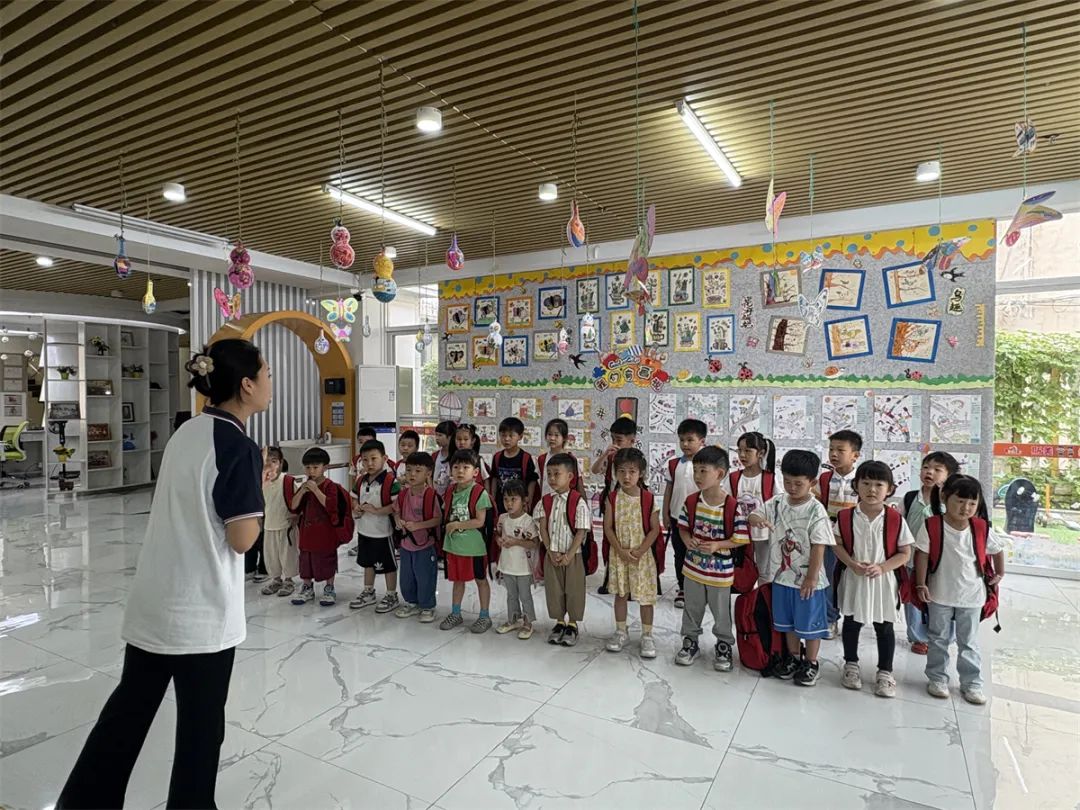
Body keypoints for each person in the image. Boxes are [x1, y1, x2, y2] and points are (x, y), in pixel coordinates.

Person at [57, 339, 271, 809]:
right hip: (200, 616)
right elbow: (242, 539)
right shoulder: (238, 444)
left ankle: (83, 802)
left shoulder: (188, 431)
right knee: (200, 730)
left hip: (155, 605)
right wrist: (261, 501)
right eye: (267, 375)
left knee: (126, 717)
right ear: (247, 385)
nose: (270, 384)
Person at [915, 474, 1005, 705]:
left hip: (972, 595)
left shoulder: (980, 528)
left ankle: (972, 683)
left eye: (972, 503)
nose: (966, 508)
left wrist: (1000, 573)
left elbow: (997, 549)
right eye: (960, 501)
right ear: (945, 498)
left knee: (969, 641)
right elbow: (922, 555)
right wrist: (921, 583)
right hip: (939, 593)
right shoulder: (932, 525)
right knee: (938, 638)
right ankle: (937, 678)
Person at [749, 449, 834, 687]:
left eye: (798, 483)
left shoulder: (816, 511)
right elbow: (754, 515)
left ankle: (812, 662)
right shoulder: (776, 502)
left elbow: (819, 546)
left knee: (810, 625)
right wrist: (758, 520)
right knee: (787, 623)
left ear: (812, 483)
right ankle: (794, 658)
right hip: (781, 577)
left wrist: (811, 578)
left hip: (808, 582)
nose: (792, 487)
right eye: (787, 482)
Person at [833, 461, 914, 698]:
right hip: (854, 577)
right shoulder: (846, 516)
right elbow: (836, 544)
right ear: (856, 486)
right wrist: (851, 563)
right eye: (866, 483)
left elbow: (905, 552)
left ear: (889, 489)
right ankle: (851, 664)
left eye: (879, 484)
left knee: (885, 625)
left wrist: (882, 567)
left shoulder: (895, 519)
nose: (871, 489)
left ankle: (885, 672)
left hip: (883, 581)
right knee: (851, 622)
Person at [674, 446, 749, 671]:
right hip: (693, 569)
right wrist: (688, 541)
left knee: (721, 612)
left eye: (703, 471)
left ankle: (724, 643)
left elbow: (740, 538)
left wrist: (718, 545)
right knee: (692, 608)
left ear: (720, 474)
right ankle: (690, 641)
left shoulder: (733, 507)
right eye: (695, 471)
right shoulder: (691, 502)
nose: (697, 476)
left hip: (720, 573)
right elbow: (683, 528)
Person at [603, 447, 661, 659]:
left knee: (646, 597)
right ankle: (620, 630)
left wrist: (640, 550)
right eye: (621, 471)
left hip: (642, 557)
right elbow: (608, 527)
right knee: (620, 593)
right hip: (619, 555)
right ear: (615, 473)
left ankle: (647, 634)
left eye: (632, 471)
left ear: (641, 473)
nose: (626, 476)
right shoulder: (612, 498)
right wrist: (620, 550)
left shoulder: (648, 498)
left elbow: (655, 528)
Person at [903, 451, 960, 654]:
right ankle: (918, 637)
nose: (930, 472)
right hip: (911, 560)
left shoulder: (952, 504)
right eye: (926, 467)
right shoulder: (910, 498)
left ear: (949, 476)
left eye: (937, 469)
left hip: (940, 563)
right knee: (913, 600)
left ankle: (942, 636)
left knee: (941, 599)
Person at [535, 453, 593, 647]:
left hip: (573, 557)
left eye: (556, 474)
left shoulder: (578, 502)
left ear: (570, 476)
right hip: (552, 555)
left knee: (574, 590)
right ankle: (559, 622)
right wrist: (550, 551)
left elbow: (581, 531)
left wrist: (569, 554)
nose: (552, 479)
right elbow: (542, 527)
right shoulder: (545, 501)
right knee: (554, 590)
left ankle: (573, 625)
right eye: (549, 474)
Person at [440, 449, 494, 632]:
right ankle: (456, 613)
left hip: (475, 547)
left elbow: (480, 521)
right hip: (454, 546)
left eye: (465, 467)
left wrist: (456, 525)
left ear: (476, 472)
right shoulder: (449, 491)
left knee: (480, 580)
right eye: (456, 467)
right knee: (458, 580)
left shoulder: (479, 493)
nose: (460, 471)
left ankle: (484, 616)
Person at [290, 447, 351, 607]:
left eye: (315, 467)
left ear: (325, 467)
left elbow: (331, 506)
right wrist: (302, 490)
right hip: (307, 531)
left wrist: (316, 490)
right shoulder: (304, 486)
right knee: (306, 560)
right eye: (308, 467)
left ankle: (329, 587)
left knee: (326, 559)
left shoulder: (331, 486)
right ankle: (307, 587)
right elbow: (293, 506)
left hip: (325, 532)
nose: (311, 471)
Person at [818, 429, 864, 638]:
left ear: (855, 455)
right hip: (830, 539)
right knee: (829, 579)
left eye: (840, 450)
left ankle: (854, 621)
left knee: (855, 580)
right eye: (831, 449)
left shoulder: (862, 480)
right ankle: (830, 619)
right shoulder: (824, 479)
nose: (834, 454)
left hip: (856, 540)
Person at [349, 439, 401, 612]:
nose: (369, 463)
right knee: (367, 563)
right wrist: (356, 507)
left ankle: (391, 594)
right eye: (365, 459)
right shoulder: (360, 480)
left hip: (383, 532)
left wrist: (377, 510)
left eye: (373, 458)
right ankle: (368, 591)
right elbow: (354, 497)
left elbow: (396, 506)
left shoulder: (390, 481)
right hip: (364, 530)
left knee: (388, 565)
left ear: (384, 458)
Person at [392, 451, 441, 623]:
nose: (412, 474)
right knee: (406, 576)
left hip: (425, 543)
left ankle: (427, 606)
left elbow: (437, 519)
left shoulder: (430, 495)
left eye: (418, 471)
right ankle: (412, 603)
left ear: (428, 473)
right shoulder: (403, 494)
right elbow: (396, 510)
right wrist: (398, 520)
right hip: (406, 543)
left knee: (425, 576)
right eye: (409, 470)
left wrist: (418, 525)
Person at [664, 418, 708, 607]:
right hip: (676, 517)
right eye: (682, 440)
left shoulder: (708, 464)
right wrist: (665, 513)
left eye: (690, 440)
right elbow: (669, 489)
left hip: (701, 519)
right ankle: (683, 587)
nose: (685, 444)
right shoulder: (674, 464)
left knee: (700, 553)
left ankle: (701, 587)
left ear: (702, 441)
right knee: (680, 553)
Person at [593, 416, 638, 594]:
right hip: (611, 505)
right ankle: (609, 578)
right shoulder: (611, 457)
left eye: (618, 440)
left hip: (630, 508)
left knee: (629, 541)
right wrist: (605, 453)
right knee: (609, 541)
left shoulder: (637, 459)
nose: (615, 443)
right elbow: (595, 470)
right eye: (613, 439)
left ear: (632, 440)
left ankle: (630, 581)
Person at [494, 479, 540, 639]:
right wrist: (499, 540)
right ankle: (513, 619)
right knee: (511, 595)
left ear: (524, 500)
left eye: (514, 499)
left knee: (525, 595)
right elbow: (497, 534)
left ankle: (528, 623)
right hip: (507, 565)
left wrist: (516, 542)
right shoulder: (502, 518)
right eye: (506, 499)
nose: (509, 503)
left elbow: (534, 543)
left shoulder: (528, 521)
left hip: (523, 568)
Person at [732, 431, 777, 582]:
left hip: (763, 534)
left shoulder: (770, 478)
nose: (742, 455)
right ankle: (745, 602)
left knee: (764, 572)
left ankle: (762, 603)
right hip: (739, 534)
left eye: (747, 451)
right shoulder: (733, 478)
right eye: (739, 450)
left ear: (761, 453)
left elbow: (780, 502)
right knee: (741, 570)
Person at [259, 446, 299, 598]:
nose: (269, 465)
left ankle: (289, 580)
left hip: (286, 526)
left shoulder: (288, 481)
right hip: (269, 525)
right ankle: (276, 579)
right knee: (271, 555)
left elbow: (298, 501)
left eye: (274, 461)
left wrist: (297, 516)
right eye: (266, 461)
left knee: (287, 555)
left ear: (281, 463)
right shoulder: (260, 481)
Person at [489, 416, 539, 514]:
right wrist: (493, 499)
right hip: (501, 504)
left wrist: (528, 501)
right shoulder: (497, 457)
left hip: (519, 505)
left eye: (511, 435)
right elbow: (494, 478)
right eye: (503, 435)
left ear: (520, 436)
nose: (506, 439)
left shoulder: (525, 458)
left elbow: (532, 481)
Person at [538, 418, 585, 500]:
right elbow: (541, 483)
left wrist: (584, 505)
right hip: (547, 502)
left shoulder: (571, 459)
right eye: (549, 434)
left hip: (566, 503)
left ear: (564, 438)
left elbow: (579, 484)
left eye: (556, 435)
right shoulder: (542, 459)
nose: (552, 438)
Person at [432, 420, 457, 497]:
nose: (437, 438)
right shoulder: (434, 456)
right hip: (435, 496)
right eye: (436, 435)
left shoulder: (457, 456)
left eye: (440, 435)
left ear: (450, 437)